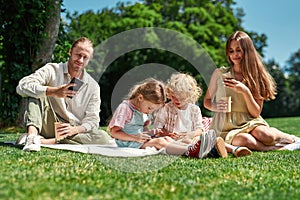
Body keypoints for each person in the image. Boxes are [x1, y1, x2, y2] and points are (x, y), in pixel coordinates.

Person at [203, 31, 300, 152]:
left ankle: (291, 139)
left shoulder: (255, 77)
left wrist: (245, 91)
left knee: (266, 136)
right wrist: (215, 106)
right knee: (245, 141)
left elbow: (255, 112)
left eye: (239, 50)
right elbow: (206, 101)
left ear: (247, 50)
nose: (235, 55)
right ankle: (279, 148)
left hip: (249, 121)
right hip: (225, 126)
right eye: (231, 51)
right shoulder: (219, 74)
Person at [16, 37, 111, 151]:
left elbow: (92, 120)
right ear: (70, 52)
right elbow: (22, 86)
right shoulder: (52, 69)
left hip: (71, 131)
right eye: (78, 55)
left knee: (103, 137)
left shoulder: (93, 86)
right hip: (47, 123)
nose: (80, 60)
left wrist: (74, 130)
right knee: (35, 91)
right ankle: (32, 137)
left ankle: (42, 141)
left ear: (89, 60)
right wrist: (53, 91)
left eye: (85, 57)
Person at [108, 78, 228, 159]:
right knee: (160, 142)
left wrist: (152, 132)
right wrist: (135, 137)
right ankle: (191, 152)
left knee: (166, 139)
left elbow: (140, 129)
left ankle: (198, 150)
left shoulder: (140, 109)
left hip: (137, 140)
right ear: (140, 98)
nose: (149, 111)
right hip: (128, 142)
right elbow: (114, 132)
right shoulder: (125, 108)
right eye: (150, 108)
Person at [154, 73, 251, 157]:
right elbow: (157, 129)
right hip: (173, 140)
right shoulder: (166, 108)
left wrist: (189, 135)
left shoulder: (194, 109)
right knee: (190, 143)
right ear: (170, 94)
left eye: (182, 98)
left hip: (191, 138)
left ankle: (235, 149)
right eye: (174, 97)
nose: (178, 101)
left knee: (202, 139)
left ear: (189, 96)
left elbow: (199, 129)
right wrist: (166, 133)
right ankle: (210, 151)